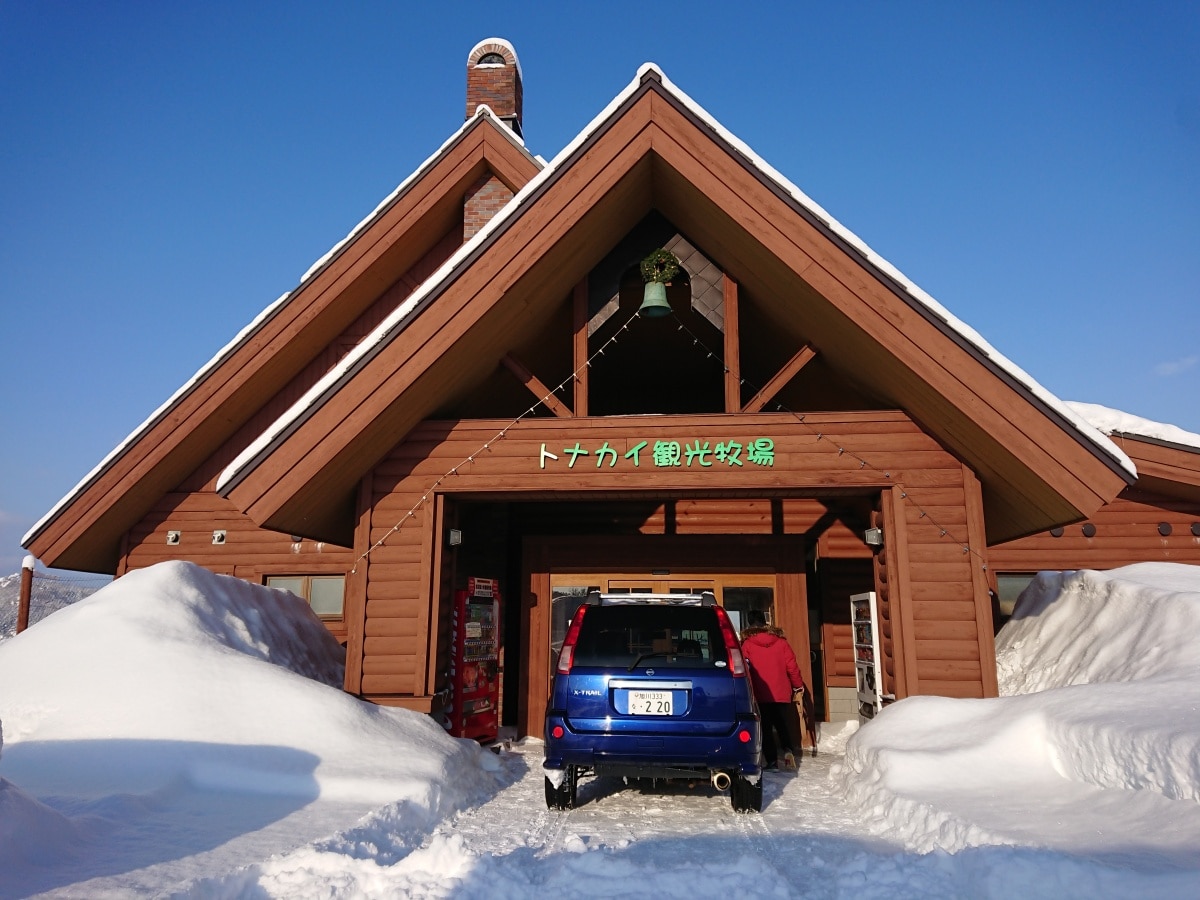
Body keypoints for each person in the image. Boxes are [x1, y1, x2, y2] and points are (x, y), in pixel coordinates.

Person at [740, 611, 806, 769]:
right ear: (765, 623)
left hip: (760, 692)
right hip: (781, 692)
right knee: (782, 724)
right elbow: (792, 667)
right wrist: (797, 685)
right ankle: (788, 751)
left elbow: (745, 669)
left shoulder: (747, 644)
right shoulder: (781, 642)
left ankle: (772, 761)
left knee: (766, 728)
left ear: (750, 624)